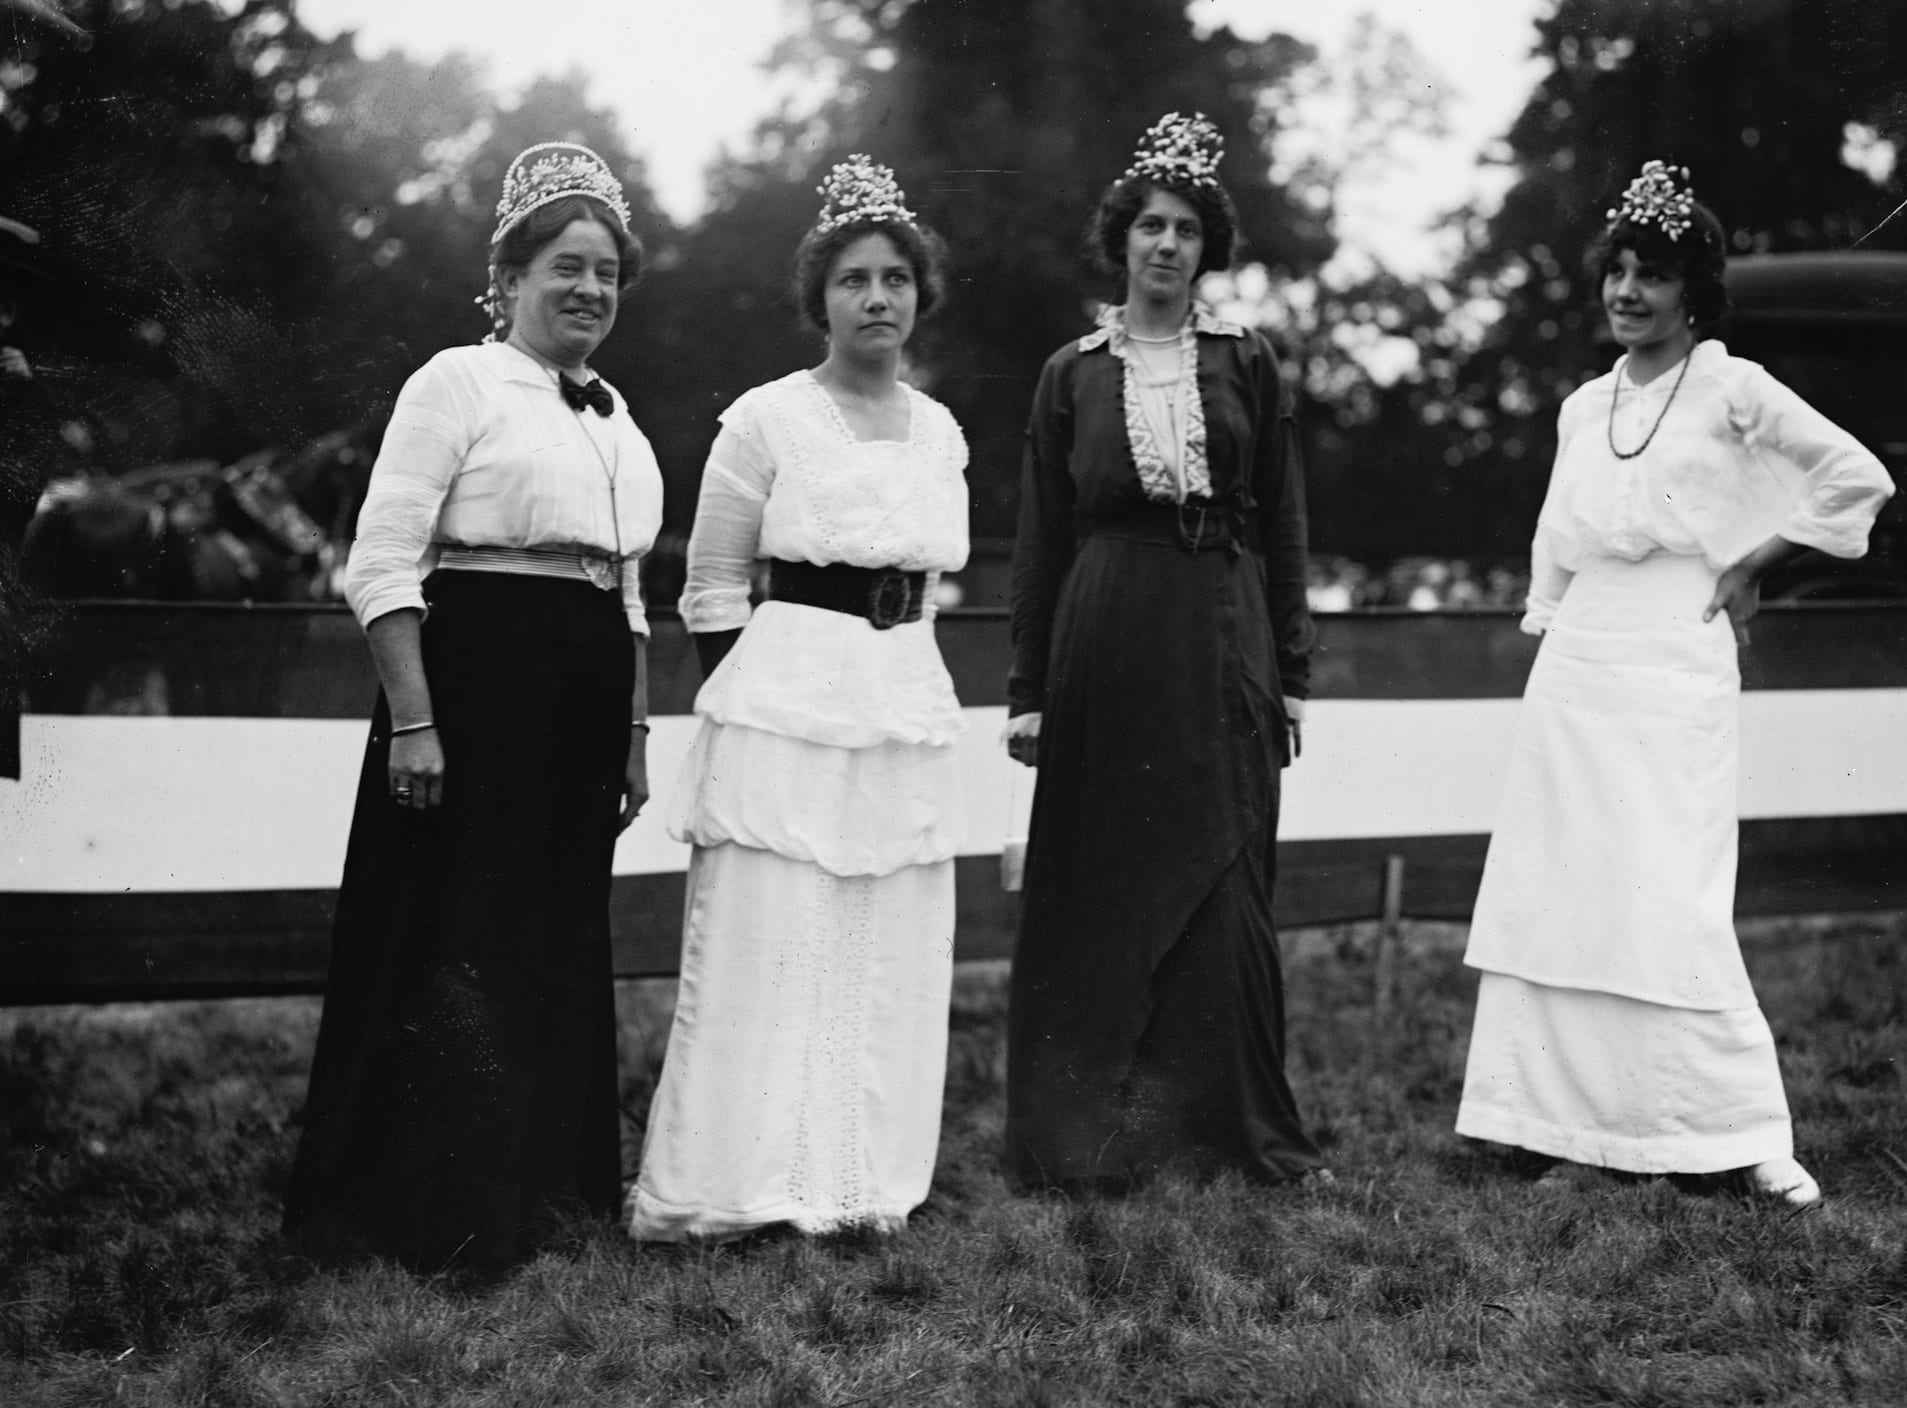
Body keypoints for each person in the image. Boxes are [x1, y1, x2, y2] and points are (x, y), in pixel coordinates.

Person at [1455, 162, 1895, 1207]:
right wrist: (1553, 627)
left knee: (1666, 893)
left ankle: (1733, 1129)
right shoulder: (1577, 407)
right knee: (1568, 882)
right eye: (1614, 270)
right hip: (1581, 661)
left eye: (1649, 273)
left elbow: (1853, 477)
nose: (1625, 291)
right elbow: (1553, 548)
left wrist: (1751, 561)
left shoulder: (1732, 388)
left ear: (1691, 290)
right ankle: (1560, 1125)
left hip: (1675, 648)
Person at [285, 142, 665, 1273]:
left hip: (584, 691)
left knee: (552, 938)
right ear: (508, 279)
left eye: (606, 270)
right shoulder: (452, 382)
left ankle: (544, 1194)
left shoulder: (613, 412)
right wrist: (414, 719)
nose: (589, 289)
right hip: (477, 680)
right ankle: (435, 1212)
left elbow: (629, 589)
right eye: (565, 266)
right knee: (461, 941)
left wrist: (636, 732)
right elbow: (384, 562)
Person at [629, 155, 968, 1240]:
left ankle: (858, 1186)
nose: (877, 299)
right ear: (818, 297)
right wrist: (755, 700)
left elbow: (925, 576)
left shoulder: (943, 430)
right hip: (785, 690)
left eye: (895, 279)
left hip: (902, 688)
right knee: (774, 934)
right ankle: (743, 1185)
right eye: (853, 279)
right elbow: (711, 583)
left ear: (919, 295)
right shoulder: (765, 420)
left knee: (880, 934)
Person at [1003, 114, 1325, 1191]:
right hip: (1104, 633)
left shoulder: (1247, 362)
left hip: (1221, 624)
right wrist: (1026, 690)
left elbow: (1280, 521)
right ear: (1121, 239)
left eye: (1185, 228)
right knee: (1102, 878)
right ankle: (1093, 1136)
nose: (1165, 244)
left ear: (1206, 247)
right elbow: (1041, 539)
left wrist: (1288, 672)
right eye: (1148, 223)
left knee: (1224, 873)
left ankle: (1228, 1133)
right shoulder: (1068, 373)